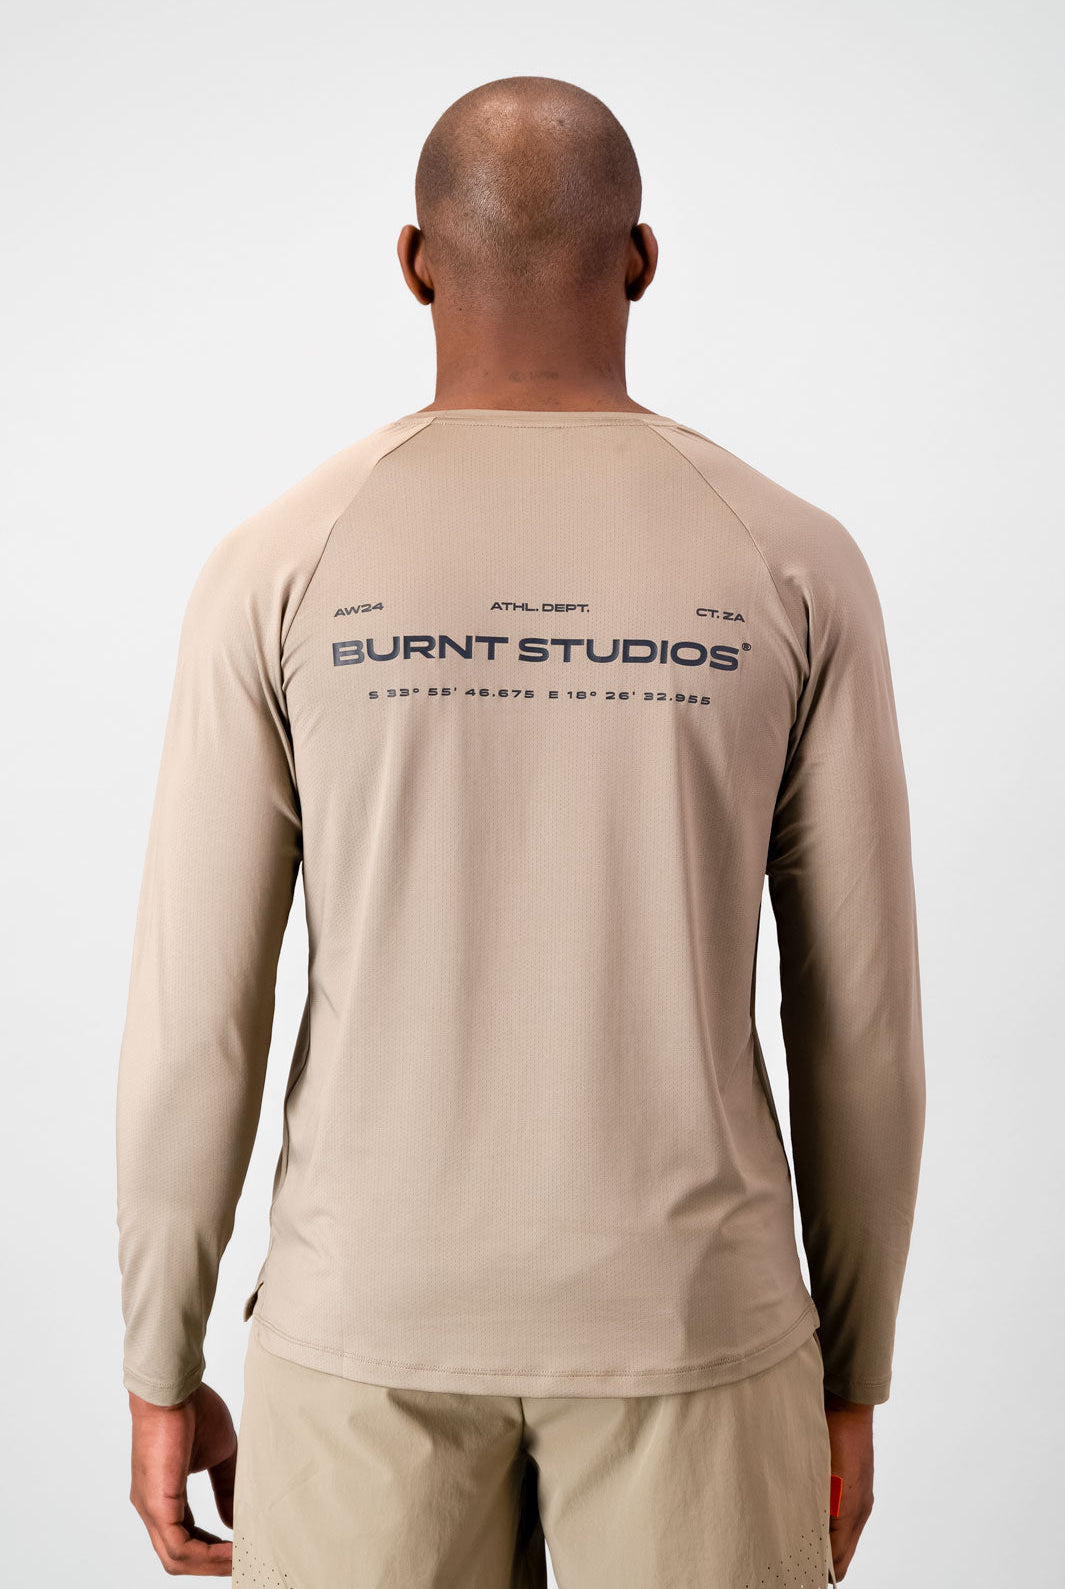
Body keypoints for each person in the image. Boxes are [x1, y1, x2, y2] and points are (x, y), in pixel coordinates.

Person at [116, 74, 926, 1586]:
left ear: (416, 263)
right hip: (694, 1323)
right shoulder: (794, 564)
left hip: (363, 1331)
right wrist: (852, 1364)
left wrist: (159, 1362)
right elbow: (861, 1022)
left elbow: (194, 1019)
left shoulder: (278, 564)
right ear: (641, 260)